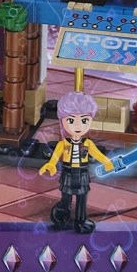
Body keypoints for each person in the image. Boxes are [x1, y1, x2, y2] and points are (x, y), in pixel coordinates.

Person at [39, 91, 114, 233]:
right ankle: (62, 211)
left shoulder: (87, 144)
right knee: (66, 196)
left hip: (82, 173)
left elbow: (98, 155)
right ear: (62, 121)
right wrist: (51, 165)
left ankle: (81, 221)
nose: (78, 126)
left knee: (81, 198)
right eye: (71, 120)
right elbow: (55, 156)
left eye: (84, 120)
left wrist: (107, 162)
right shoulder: (63, 143)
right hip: (67, 172)